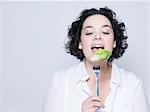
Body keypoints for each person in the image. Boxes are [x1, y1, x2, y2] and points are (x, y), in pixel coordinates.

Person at [43, 7, 149, 112]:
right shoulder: (59, 83)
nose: (97, 36)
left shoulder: (133, 85)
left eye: (105, 32)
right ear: (80, 43)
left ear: (114, 43)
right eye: (89, 33)